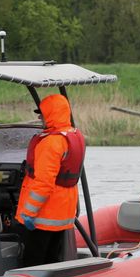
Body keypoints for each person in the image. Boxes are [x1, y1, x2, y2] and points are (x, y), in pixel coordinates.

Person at [15, 93, 86, 266]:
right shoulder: (74, 136)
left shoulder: (50, 143)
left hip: (42, 216)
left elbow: (44, 183)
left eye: (43, 113)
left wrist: (29, 213)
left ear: (51, 114)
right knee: (53, 261)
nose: (40, 117)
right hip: (63, 213)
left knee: (33, 262)